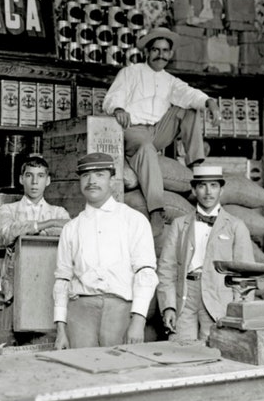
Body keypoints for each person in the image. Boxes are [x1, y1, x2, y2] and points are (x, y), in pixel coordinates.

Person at [102, 27, 222, 235]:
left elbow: (189, 94)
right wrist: (118, 109)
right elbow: (113, 97)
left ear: (171, 54)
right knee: (147, 149)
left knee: (189, 108)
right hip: (132, 130)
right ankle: (156, 209)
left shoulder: (170, 81)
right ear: (147, 52)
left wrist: (210, 102)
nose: (161, 55)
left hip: (158, 132)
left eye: (165, 51)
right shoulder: (131, 72)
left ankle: (196, 165)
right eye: (156, 50)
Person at [53, 152, 158, 350]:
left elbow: (146, 273)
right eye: (85, 175)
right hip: (80, 315)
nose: (91, 181)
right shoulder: (71, 228)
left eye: (99, 174)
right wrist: (61, 330)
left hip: (121, 311)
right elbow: (62, 280)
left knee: (121, 374)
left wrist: (138, 322)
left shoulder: (133, 220)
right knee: (80, 373)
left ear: (112, 179)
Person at [157, 163, 253, 343]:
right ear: (193, 190)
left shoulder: (235, 226)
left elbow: (245, 274)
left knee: (216, 350)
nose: (208, 192)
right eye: (202, 186)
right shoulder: (179, 224)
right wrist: (168, 306)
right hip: (184, 296)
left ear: (221, 190)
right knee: (179, 352)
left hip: (219, 297)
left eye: (214, 185)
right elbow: (166, 268)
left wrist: (240, 311)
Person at [0, 155, 70, 307]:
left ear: (47, 181)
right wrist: (49, 224)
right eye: (29, 175)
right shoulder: (7, 209)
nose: (35, 182)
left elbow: (69, 234)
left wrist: (28, 231)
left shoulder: (59, 212)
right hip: (13, 290)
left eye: (40, 176)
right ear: (21, 179)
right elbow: (7, 234)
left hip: (48, 287)